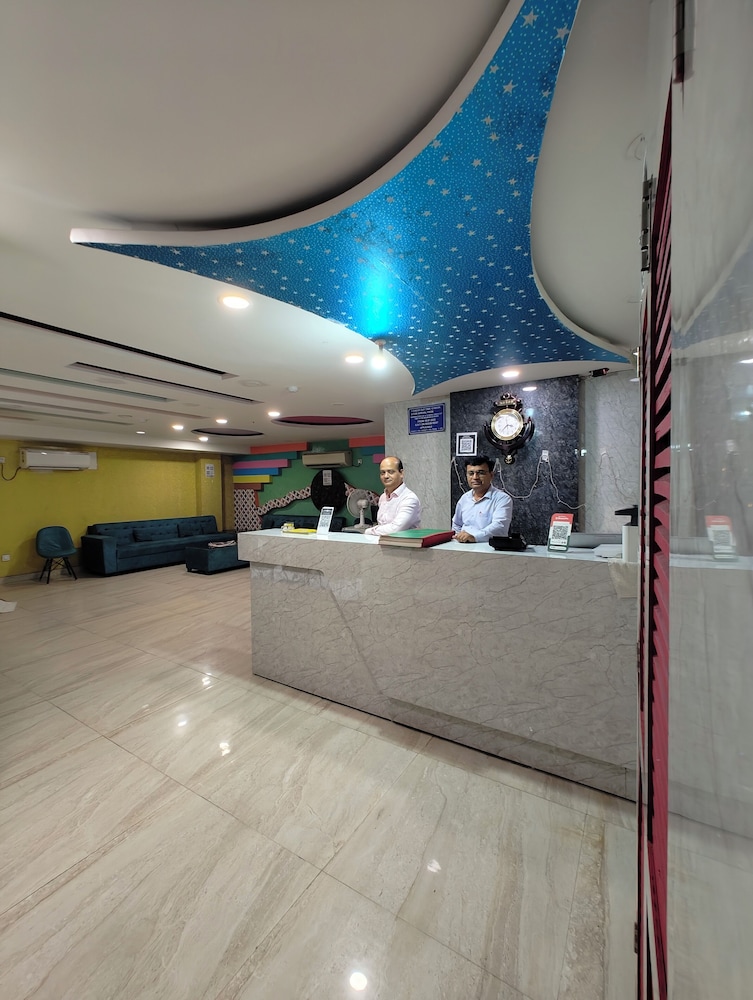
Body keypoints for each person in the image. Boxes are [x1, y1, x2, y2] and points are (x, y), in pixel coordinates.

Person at [452, 455, 512, 543]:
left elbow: (500, 527)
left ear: (491, 475)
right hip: (463, 546)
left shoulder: (502, 499)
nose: (475, 477)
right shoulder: (464, 498)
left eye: (480, 473)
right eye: (471, 473)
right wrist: (459, 538)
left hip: (489, 547)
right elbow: (456, 524)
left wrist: (474, 537)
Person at [365, 456, 422, 535]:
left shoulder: (409, 499)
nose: (386, 476)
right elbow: (382, 525)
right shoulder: (383, 497)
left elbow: (395, 529)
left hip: (403, 543)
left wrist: (368, 531)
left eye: (391, 472)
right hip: (382, 541)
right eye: (382, 472)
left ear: (401, 473)